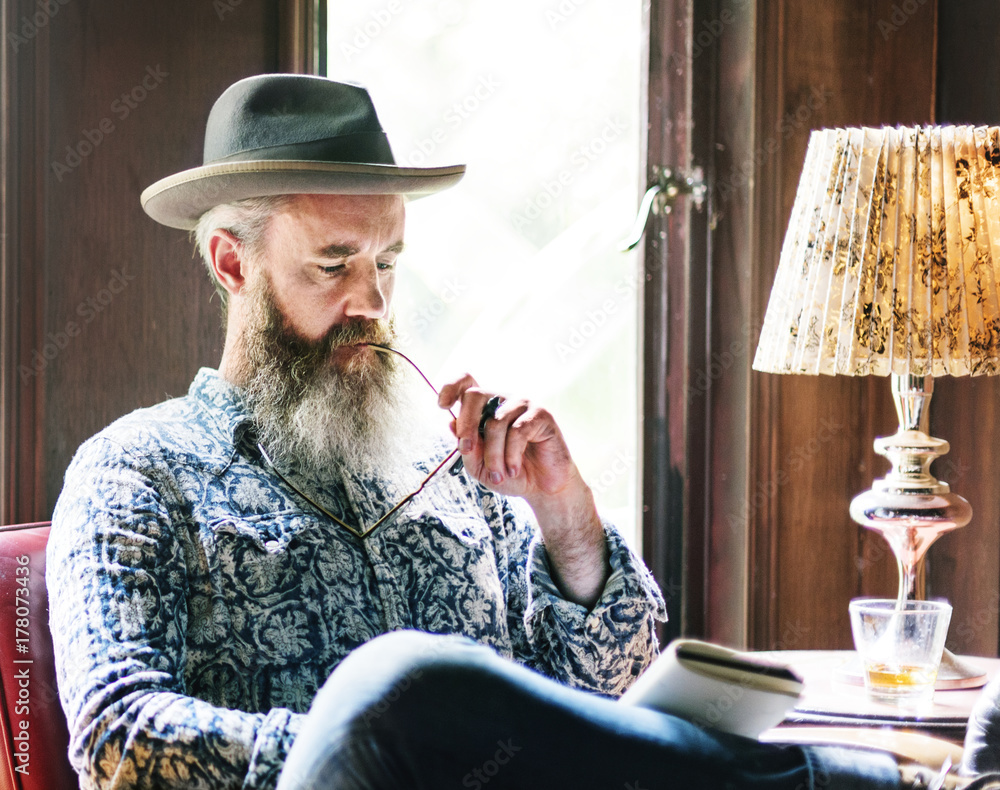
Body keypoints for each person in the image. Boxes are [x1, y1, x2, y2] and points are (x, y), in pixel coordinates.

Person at [45, 73, 980, 790]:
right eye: (333, 266)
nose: (371, 302)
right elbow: (120, 740)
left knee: (723, 714)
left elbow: (605, 702)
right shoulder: (136, 472)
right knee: (406, 684)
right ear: (230, 261)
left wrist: (565, 519)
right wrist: (402, 746)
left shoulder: (451, 470)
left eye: (388, 262)